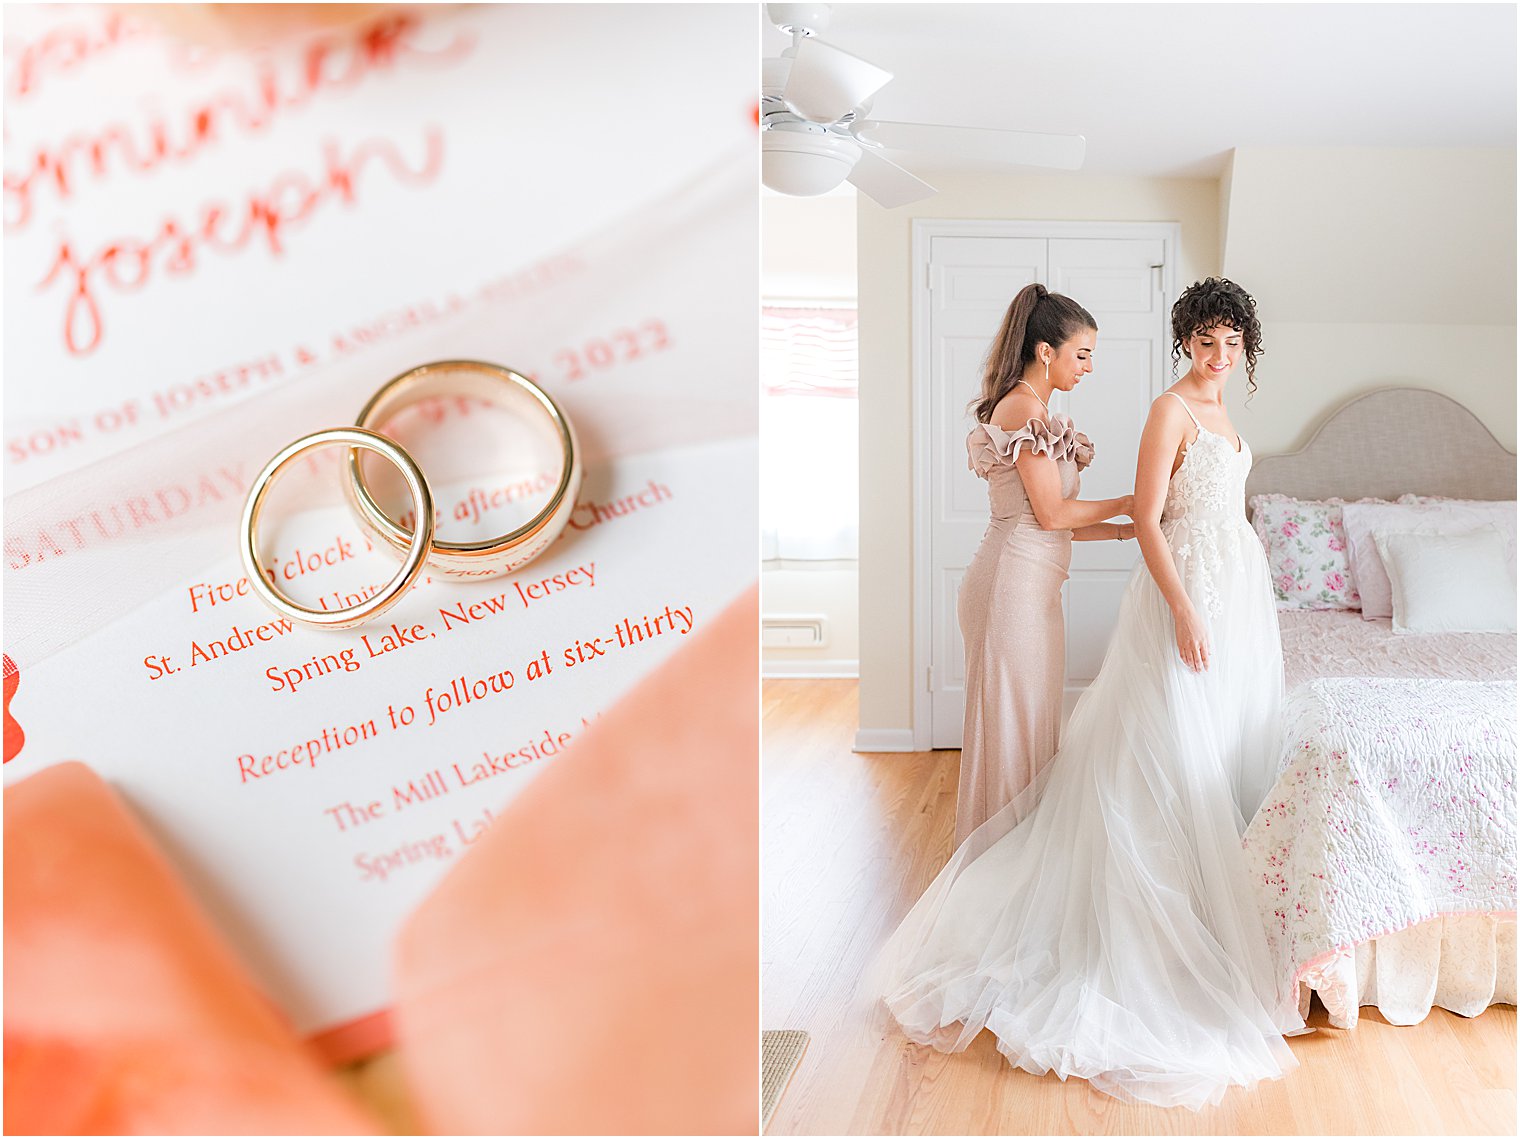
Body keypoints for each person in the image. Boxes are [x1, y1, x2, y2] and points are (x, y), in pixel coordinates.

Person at [875, 278, 1303, 1111]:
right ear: (1187, 344)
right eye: (1206, 341)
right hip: (1075, 583)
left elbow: (1130, 512)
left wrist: (1159, 518)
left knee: (1095, 740)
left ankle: (1202, 904)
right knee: (1053, 739)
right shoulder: (1138, 410)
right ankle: (992, 878)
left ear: (1246, 346)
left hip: (1218, 582)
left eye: (1231, 342)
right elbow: (1080, 511)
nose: (1219, 355)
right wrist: (1158, 531)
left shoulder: (1214, 414)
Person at [956, 283, 1134, 844]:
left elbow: (1060, 524)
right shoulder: (1021, 409)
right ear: (1045, 351)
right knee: (1010, 728)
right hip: (1009, 588)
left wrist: (1135, 529)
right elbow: (1054, 514)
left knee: (1031, 725)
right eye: (1082, 354)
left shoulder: (1040, 412)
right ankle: (997, 855)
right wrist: (1134, 500)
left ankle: (1020, 852)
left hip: (1033, 589)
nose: (1087, 367)